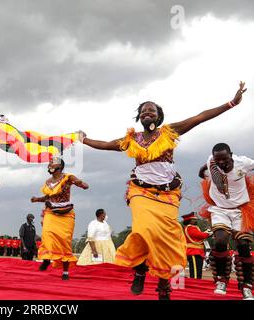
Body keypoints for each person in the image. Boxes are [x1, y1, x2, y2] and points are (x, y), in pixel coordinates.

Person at [79, 81, 247, 299]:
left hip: (168, 194)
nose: (147, 112)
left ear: (159, 116)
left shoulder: (169, 132)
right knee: (142, 228)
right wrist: (84, 139)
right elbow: (105, 144)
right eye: (143, 110)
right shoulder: (132, 140)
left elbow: (199, 117)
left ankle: (164, 282)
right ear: (139, 117)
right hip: (140, 192)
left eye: (152, 109)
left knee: (166, 238)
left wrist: (231, 103)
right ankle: (139, 269)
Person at [198, 143, 254, 300]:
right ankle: (221, 280)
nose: (221, 162)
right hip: (220, 210)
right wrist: (205, 174)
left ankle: (246, 286)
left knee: (243, 246)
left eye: (225, 158)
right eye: (218, 159)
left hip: (241, 210)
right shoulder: (211, 161)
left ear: (231, 155)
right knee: (221, 241)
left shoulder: (244, 163)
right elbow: (202, 171)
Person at [31, 157, 89, 280]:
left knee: (65, 242)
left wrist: (81, 184)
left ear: (60, 166)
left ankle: (65, 272)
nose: (50, 163)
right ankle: (46, 259)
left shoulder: (68, 177)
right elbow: (48, 197)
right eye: (50, 162)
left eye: (53, 162)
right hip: (51, 212)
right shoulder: (48, 181)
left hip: (66, 214)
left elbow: (81, 183)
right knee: (47, 234)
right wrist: (37, 199)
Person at [181, 212, 212, 279]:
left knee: (198, 270)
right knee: (195, 271)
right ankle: (194, 282)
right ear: (189, 221)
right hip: (193, 251)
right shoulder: (190, 228)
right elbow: (199, 235)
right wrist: (208, 234)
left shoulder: (193, 227)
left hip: (197, 251)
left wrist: (207, 233)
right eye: (193, 219)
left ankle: (197, 281)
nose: (196, 220)